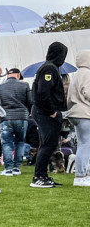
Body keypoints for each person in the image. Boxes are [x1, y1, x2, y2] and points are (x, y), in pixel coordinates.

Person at [30, 42, 68, 188]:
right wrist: (52, 111)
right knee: (48, 144)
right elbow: (43, 92)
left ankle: (42, 175)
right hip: (45, 112)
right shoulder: (49, 69)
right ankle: (38, 177)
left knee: (48, 144)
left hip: (43, 111)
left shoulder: (50, 68)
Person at [0, 67, 33, 176]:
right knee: (20, 142)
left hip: (5, 117)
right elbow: (30, 101)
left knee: (6, 143)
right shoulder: (25, 85)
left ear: (8, 75)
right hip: (22, 117)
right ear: (18, 75)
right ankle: (17, 168)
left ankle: (8, 169)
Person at [67, 49, 90, 187]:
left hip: (76, 112)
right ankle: (81, 175)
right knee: (86, 145)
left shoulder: (77, 74)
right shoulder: (87, 74)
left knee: (83, 144)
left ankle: (83, 174)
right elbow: (88, 92)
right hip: (85, 113)